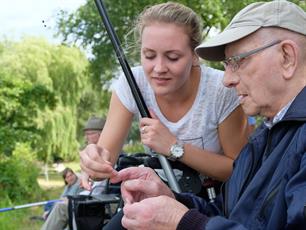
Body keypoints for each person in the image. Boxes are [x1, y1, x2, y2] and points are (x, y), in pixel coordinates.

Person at [106, 1, 306, 229]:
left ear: (287, 57)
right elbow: (229, 213)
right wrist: (172, 199)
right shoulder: (265, 138)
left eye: (237, 62)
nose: (226, 79)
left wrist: (181, 221)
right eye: (226, 65)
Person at [80, 2, 248, 194]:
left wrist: (174, 147)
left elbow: (240, 170)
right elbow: (104, 164)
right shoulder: (132, 83)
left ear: (195, 56)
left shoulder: (222, 89)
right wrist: (94, 162)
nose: (159, 68)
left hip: (215, 201)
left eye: (173, 57)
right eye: (149, 56)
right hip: (157, 196)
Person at [41, 116, 106, 230]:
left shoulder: (105, 155)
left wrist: (75, 198)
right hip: (90, 198)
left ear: (100, 134)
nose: (86, 137)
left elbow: (98, 188)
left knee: (61, 207)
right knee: (61, 205)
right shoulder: (94, 154)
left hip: (96, 200)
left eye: (89, 133)